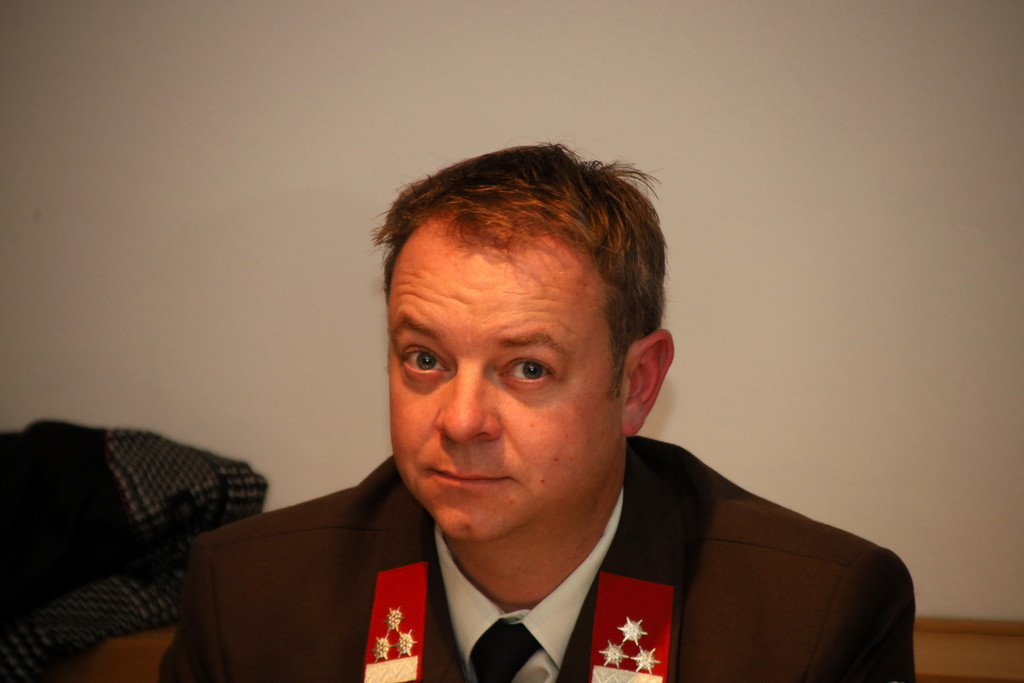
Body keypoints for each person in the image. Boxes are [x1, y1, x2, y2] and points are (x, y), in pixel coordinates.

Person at [159, 144, 915, 682]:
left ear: (637, 384)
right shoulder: (250, 597)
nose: (461, 422)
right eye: (425, 358)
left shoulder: (812, 618)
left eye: (528, 368)